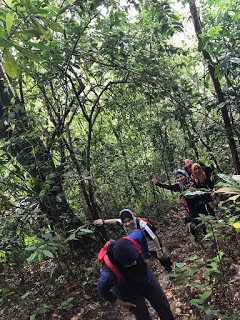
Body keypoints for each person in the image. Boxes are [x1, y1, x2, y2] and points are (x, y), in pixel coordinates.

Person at [97, 229, 175, 320]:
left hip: (146, 278)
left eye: (135, 259)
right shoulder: (108, 274)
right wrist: (122, 303)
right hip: (128, 292)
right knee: (142, 316)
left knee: (163, 306)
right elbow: (102, 290)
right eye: (130, 263)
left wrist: (146, 255)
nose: (134, 263)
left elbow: (141, 232)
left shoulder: (133, 239)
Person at [94, 209, 172, 272]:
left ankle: (170, 270)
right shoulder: (123, 223)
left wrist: (158, 250)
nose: (128, 224)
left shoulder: (142, 224)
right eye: (125, 222)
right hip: (140, 246)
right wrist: (103, 221)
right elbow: (116, 221)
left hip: (153, 245)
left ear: (132, 218)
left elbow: (154, 237)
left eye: (129, 220)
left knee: (162, 258)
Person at [152, 169, 210, 240]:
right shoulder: (179, 186)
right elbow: (168, 187)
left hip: (200, 204)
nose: (179, 179)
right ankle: (193, 230)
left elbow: (201, 186)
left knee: (204, 219)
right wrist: (158, 183)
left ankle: (205, 234)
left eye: (181, 176)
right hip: (191, 207)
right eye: (178, 177)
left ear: (185, 175)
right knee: (197, 222)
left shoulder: (193, 181)